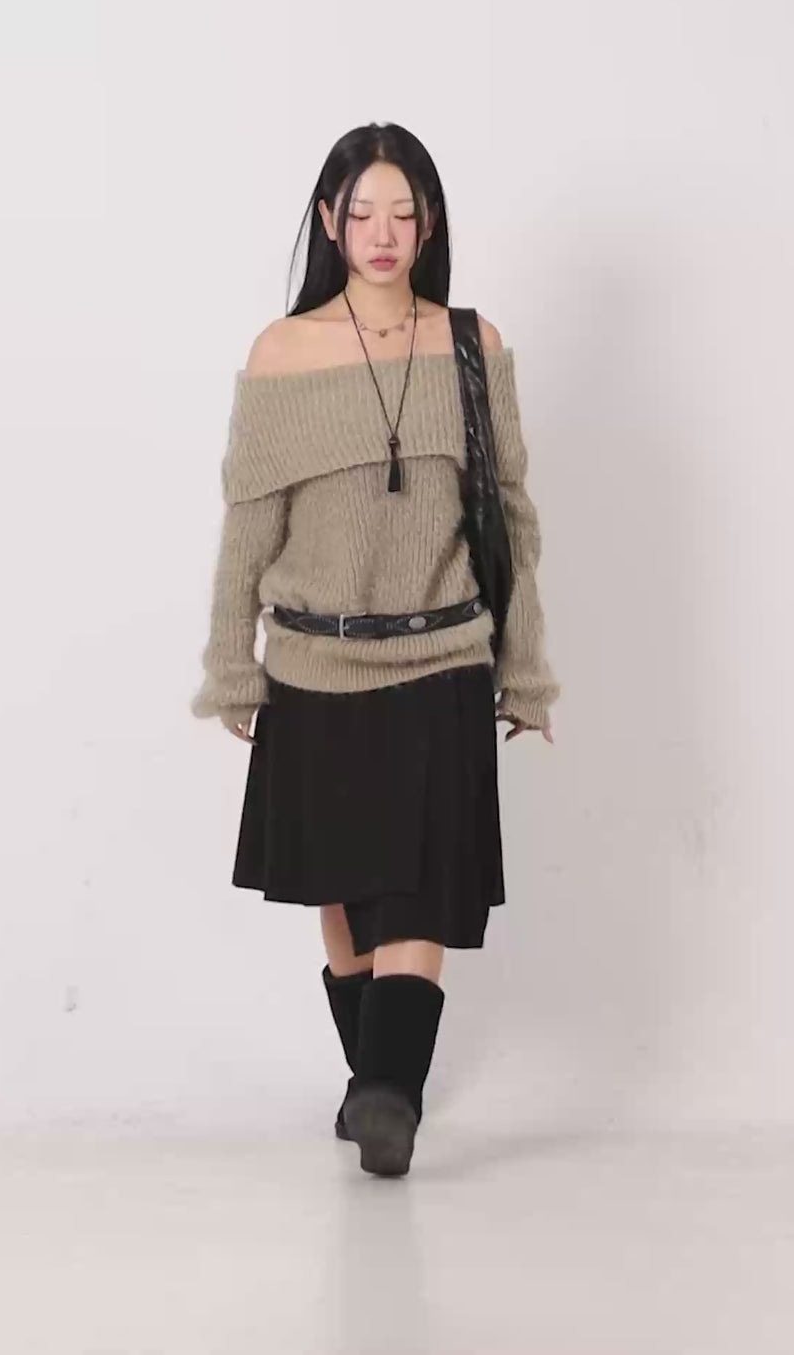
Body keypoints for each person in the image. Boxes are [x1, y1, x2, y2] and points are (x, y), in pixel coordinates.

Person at [190, 121, 559, 1176]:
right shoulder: (283, 352)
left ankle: (391, 1092)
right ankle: (373, 1086)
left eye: (404, 212)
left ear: (429, 223)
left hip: (442, 660)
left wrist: (525, 667)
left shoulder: (472, 347)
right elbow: (248, 528)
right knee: (345, 891)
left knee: (421, 889)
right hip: (314, 666)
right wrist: (231, 665)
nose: (384, 232)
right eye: (363, 213)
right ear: (329, 221)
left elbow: (510, 517)